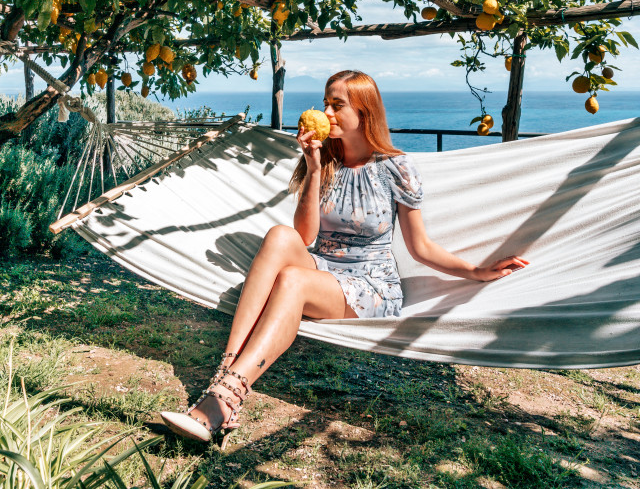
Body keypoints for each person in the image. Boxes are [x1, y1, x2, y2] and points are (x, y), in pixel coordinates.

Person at [161, 70, 528, 445]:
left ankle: (223, 401)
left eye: (337, 105)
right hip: (323, 267)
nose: (326, 112)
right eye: (325, 104)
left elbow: (421, 247)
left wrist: (477, 271)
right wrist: (314, 167)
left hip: (371, 285)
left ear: (364, 113)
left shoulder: (395, 168)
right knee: (279, 236)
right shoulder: (324, 159)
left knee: (292, 280)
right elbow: (304, 237)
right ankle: (226, 373)